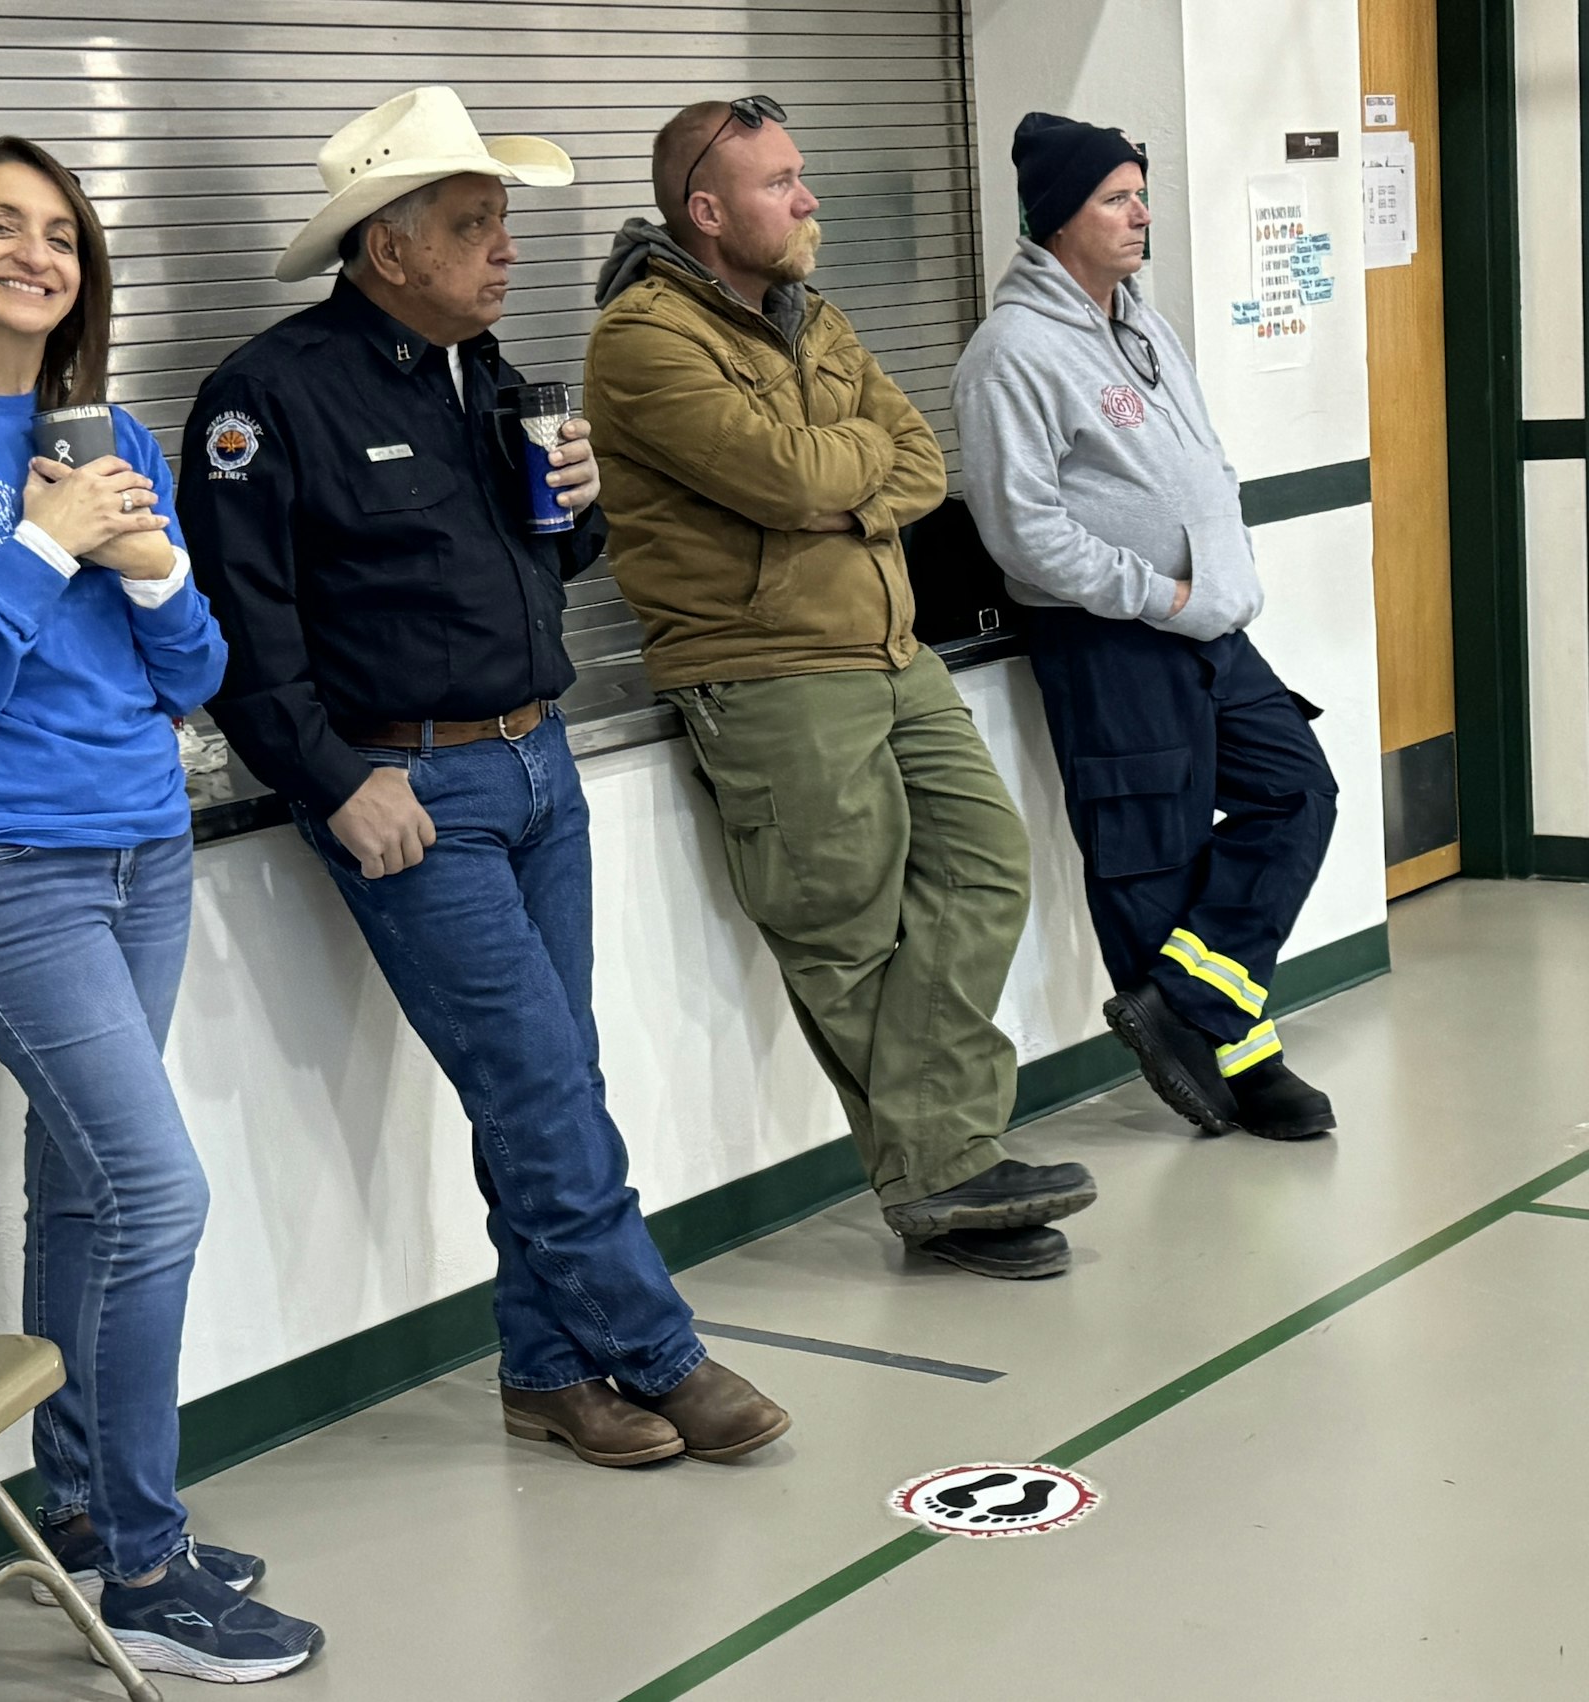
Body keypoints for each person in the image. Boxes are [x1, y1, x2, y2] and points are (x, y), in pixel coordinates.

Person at [177, 87, 789, 1468]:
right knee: (544, 1088)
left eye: (503, 220)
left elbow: (527, 572)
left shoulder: (489, 373)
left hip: (539, 764)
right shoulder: (266, 398)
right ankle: (659, 1349)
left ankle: (547, 1371)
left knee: (548, 1077)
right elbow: (239, 637)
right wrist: (337, 782)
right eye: (473, 224)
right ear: (386, 249)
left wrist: (579, 510)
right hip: (412, 797)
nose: (506, 248)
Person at [0, 136, 325, 1683]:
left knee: (90, 1196)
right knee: (157, 1192)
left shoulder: (108, 433)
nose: (39, 255)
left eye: (61, 234)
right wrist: (40, 548)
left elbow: (197, 677)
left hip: (140, 847)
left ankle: (88, 1517)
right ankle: (149, 1572)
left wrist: (154, 568)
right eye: (2, 229)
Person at [581, 99, 1098, 1281]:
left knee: (984, 861)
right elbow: (777, 476)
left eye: (801, 175)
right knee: (844, 932)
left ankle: (938, 1166)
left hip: (887, 648)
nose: (807, 199)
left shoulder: (809, 315)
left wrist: (837, 482)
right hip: (764, 670)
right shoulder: (642, 338)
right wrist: (829, 471)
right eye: (779, 184)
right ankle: (947, 1174)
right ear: (706, 214)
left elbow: (914, 456)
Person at [952, 113, 1340, 1142]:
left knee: (1295, 790)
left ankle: (1187, 1007)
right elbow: (1023, 532)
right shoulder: (1010, 353)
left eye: (1139, 193)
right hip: (1112, 636)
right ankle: (1240, 1059)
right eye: (1115, 199)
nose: (1139, 214)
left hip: (1207, 625)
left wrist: (1213, 579)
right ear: (1055, 219)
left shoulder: (1138, 319)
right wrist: (1161, 593)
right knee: (1149, 849)